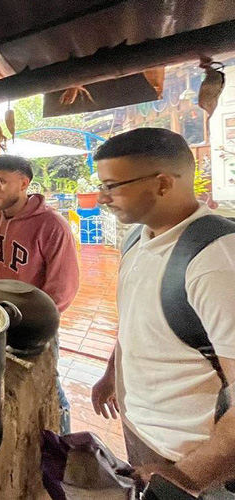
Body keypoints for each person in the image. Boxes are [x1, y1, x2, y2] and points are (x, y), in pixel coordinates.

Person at [89, 128, 235, 495]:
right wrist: (112, 373)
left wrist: (188, 478)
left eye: (112, 186)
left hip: (198, 460)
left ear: (163, 183)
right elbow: (138, 320)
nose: (102, 197)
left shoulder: (216, 262)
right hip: (143, 433)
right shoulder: (137, 239)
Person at [0, 155, 80, 434]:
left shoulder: (51, 225)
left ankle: (62, 439)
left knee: (48, 386)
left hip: (34, 328)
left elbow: (63, 287)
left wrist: (35, 323)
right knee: (2, 384)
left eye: (1, 182)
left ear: (24, 183)